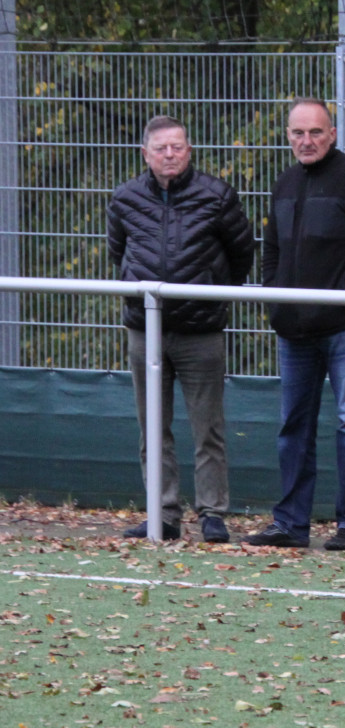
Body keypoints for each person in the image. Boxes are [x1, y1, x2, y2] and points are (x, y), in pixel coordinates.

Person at [245, 97, 345, 552]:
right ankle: (290, 524)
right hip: (292, 331)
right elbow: (271, 249)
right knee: (293, 426)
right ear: (288, 137)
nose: (306, 141)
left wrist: (336, 299)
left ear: (332, 133)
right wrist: (275, 298)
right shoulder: (284, 183)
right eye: (298, 133)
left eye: (315, 132)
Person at [107, 115, 254, 543]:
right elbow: (119, 253)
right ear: (145, 154)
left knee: (209, 428)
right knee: (152, 427)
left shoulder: (217, 196)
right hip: (144, 330)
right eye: (161, 148)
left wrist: (211, 296)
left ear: (189, 150)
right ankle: (163, 514)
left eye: (177, 147)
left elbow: (241, 254)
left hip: (201, 331)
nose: (170, 155)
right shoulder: (125, 199)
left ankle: (212, 513)